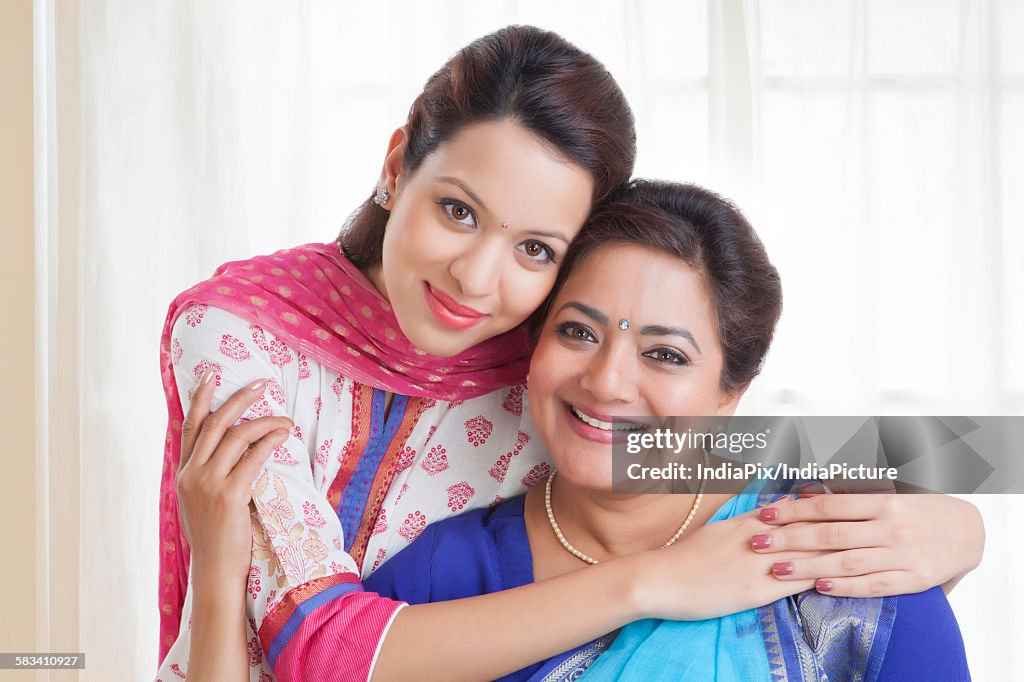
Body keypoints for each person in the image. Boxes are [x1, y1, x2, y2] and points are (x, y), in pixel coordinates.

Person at [160, 26, 983, 682]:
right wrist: (655, 585)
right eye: (456, 209)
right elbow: (323, 651)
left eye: (535, 250)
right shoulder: (246, 336)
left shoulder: (542, 355)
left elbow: (782, 441)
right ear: (394, 164)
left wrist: (962, 527)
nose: (476, 277)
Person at [361, 180, 971, 680]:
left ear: (733, 393)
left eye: (666, 355)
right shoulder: (440, 578)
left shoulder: (838, 558)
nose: (606, 382)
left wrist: (969, 527)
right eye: (578, 332)